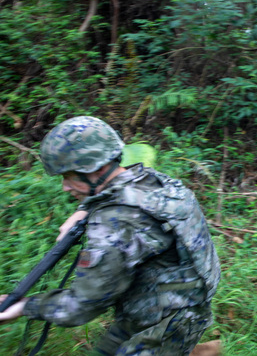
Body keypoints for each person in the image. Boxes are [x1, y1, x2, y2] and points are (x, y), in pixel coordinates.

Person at [0, 116, 220, 355]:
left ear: (99, 168)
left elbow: (81, 306)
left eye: (70, 176)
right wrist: (84, 209)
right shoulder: (153, 181)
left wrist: (24, 306)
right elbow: (119, 195)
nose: (65, 186)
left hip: (167, 322)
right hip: (164, 306)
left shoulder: (116, 224)